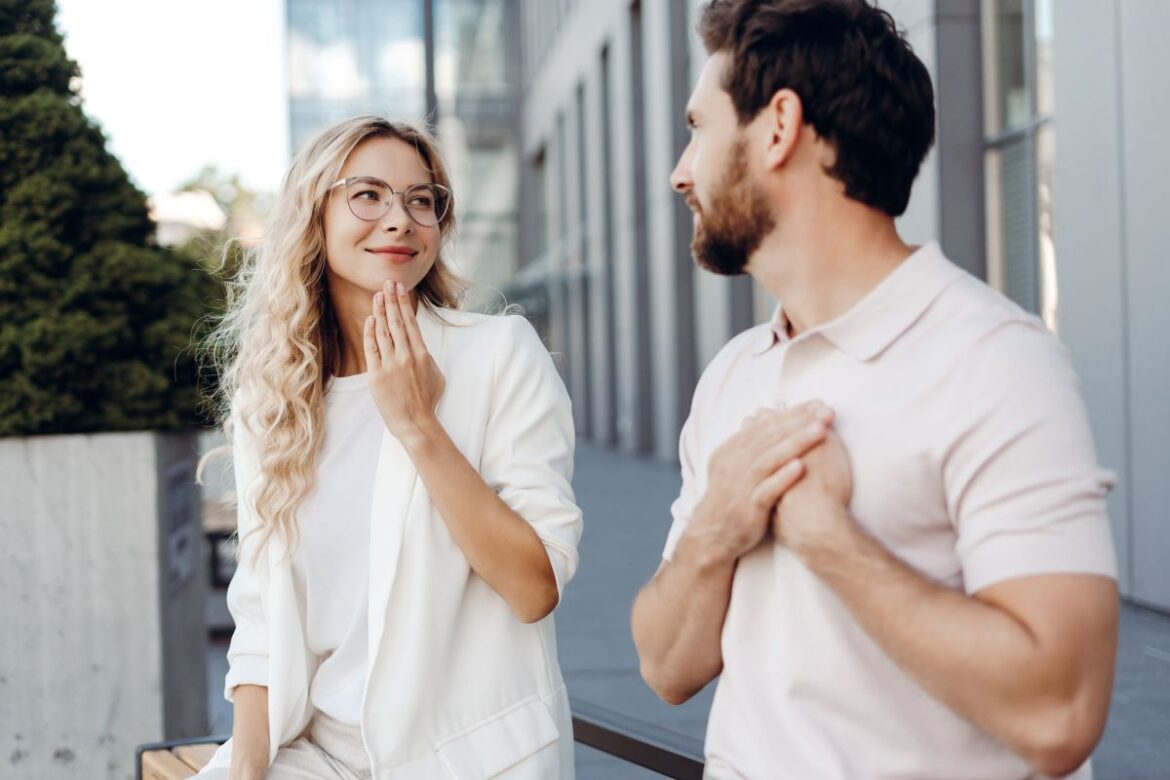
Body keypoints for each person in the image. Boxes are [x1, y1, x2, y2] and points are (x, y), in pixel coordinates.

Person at [630, 1, 1119, 778]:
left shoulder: (995, 361)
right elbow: (666, 666)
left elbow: (1059, 713)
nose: (680, 172)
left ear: (779, 126)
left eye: (700, 127)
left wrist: (829, 537)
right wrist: (718, 526)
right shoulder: (733, 374)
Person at [197, 116, 581, 779]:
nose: (400, 219)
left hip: (464, 760)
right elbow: (259, 618)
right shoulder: (274, 398)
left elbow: (533, 587)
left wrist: (418, 427)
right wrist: (245, 773)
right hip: (313, 755)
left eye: (421, 199)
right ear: (312, 218)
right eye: (367, 194)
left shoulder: (497, 356)